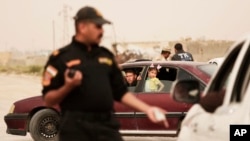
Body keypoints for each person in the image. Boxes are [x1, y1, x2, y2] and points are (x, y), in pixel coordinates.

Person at [41, 6, 169, 141]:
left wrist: (148, 109)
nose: (102, 31)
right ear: (82, 27)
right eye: (98, 26)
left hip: (106, 126)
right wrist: (68, 86)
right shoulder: (60, 58)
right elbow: (49, 100)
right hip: (76, 129)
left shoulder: (106, 57)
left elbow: (121, 92)